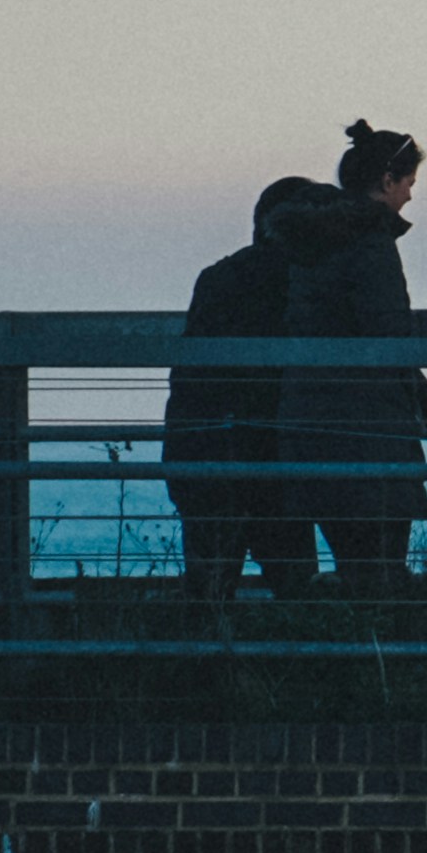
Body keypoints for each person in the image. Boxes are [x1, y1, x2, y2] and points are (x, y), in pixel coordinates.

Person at [272, 119, 427, 585]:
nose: (410, 196)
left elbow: (349, 330)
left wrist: (425, 400)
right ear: (386, 181)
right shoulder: (370, 244)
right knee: (379, 573)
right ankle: (378, 652)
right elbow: (387, 335)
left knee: (354, 564)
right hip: (366, 432)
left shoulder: (312, 241)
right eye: (408, 184)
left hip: (311, 426)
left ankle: (355, 650)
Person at [161, 177, 322, 600]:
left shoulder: (218, 277)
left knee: (210, 584)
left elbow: (192, 373)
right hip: (272, 448)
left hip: (206, 447)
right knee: (296, 582)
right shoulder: (304, 281)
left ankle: (204, 661)